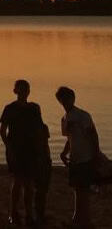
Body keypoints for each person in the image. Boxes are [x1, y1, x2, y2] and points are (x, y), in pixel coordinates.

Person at [0, 80, 49, 225]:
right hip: (16, 149)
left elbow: (40, 129)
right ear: (15, 91)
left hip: (31, 150)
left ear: (28, 91)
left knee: (29, 183)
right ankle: (13, 212)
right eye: (20, 90)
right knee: (18, 181)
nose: (23, 92)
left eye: (26, 89)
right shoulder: (10, 108)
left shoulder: (34, 108)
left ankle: (28, 214)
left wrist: (42, 149)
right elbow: (3, 131)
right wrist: (9, 148)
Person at [56, 86, 102, 228]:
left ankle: (85, 220)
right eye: (63, 100)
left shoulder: (83, 116)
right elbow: (70, 139)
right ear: (60, 101)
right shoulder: (64, 119)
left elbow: (93, 135)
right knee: (77, 188)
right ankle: (77, 218)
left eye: (68, 99)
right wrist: (64, 153)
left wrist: (96, 154)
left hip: (86, 158)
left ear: (73, 98)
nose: (65, 102)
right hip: (74, 159)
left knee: (84, 190)